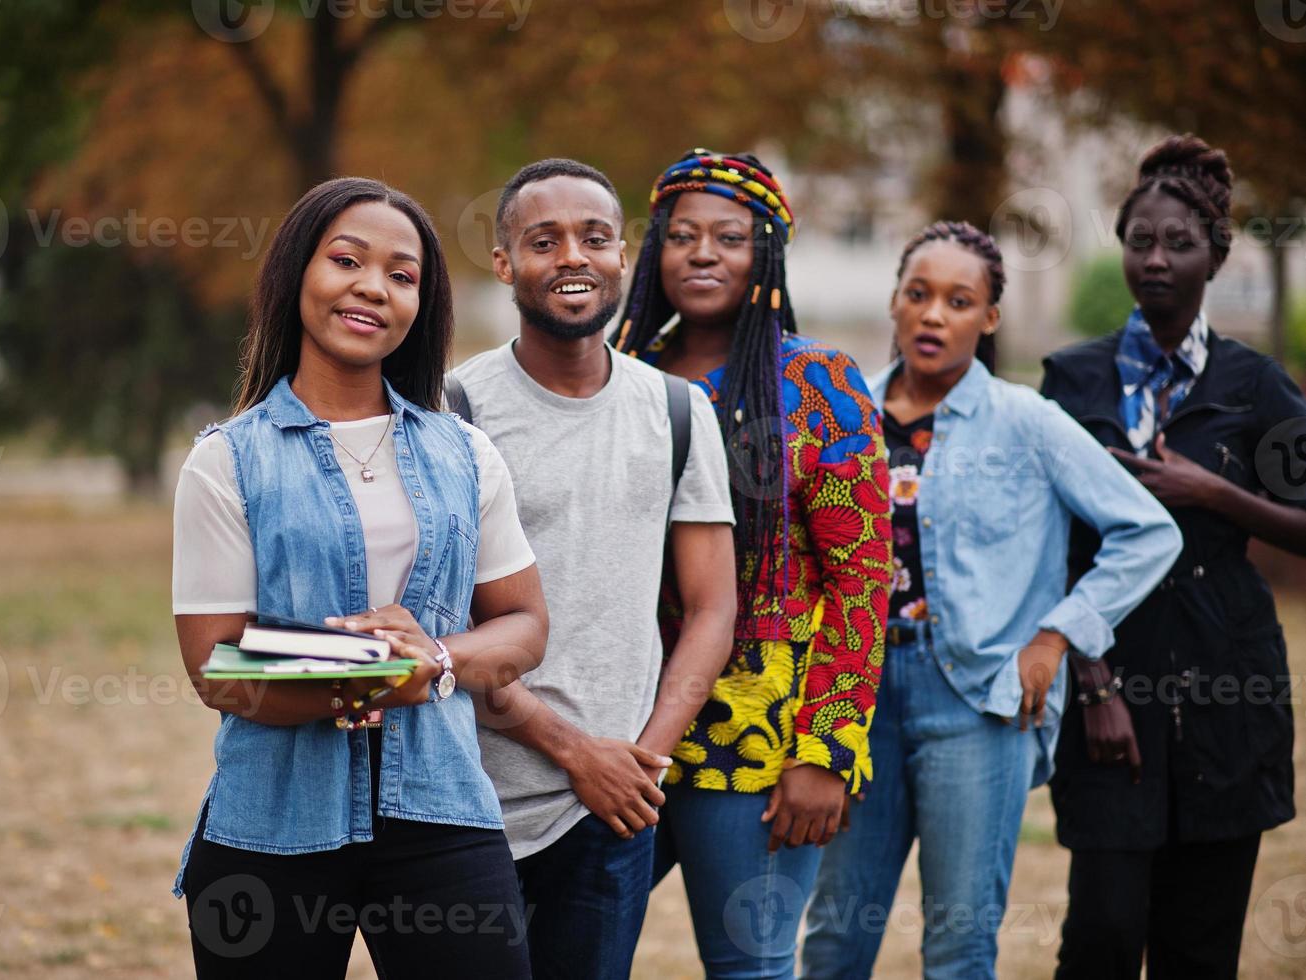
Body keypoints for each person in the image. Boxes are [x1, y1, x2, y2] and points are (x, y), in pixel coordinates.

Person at [170, 177, 550, 978]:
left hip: (441, 813)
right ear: (296, 275)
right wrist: (375, 675)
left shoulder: (465, 454)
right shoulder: (226, 462)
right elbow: (216, 666)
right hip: (270, 826)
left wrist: (438, 661)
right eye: (346, 259)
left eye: (402, 275)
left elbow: (523, 625)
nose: (372, 287)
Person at [799, 220, 1184, 980]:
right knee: (834, 939)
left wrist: (1054, 638)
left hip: (975, 704)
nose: (933, 315)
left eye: (958, 300)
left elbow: (1147, 532)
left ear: (989, 317)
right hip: (854, 702)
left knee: (958, 944)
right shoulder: (843, 418)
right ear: (894, 302)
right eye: (918, 295)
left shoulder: (1027, 422)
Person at [452, 157, 739, 980]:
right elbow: (446, 628)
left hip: (610, 811)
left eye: (594, 238)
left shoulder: (679, 413)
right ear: (506, 263)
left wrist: (642, 761)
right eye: (544, 241)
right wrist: (573, 749)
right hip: (470, 800)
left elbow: (711, 608)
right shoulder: (455, 413)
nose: (572, 257)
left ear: (624, 256)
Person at [614, 148, 893, 978]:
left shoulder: (818, 383)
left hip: (760, 733)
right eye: (682, 235)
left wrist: (827, 750)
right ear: (654, 251)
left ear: (765, 254)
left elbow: (860, 581)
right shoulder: (620, 378)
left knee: (749, 965)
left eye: (729, 238)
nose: (703, 253)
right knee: (572, 951)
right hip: (620, 718)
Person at [1044, 135, 1306, 979]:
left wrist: (1215, 495)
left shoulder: (1255, 387)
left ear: (1215, 256)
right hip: (1108, 688)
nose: (1154, 259)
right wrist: (1093, 684)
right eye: (1138, 241)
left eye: (1177, 243)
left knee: (1200, 948)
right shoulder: (1070, 383)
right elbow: (1047, 546)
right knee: (1104, 937)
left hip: (1229, 689)